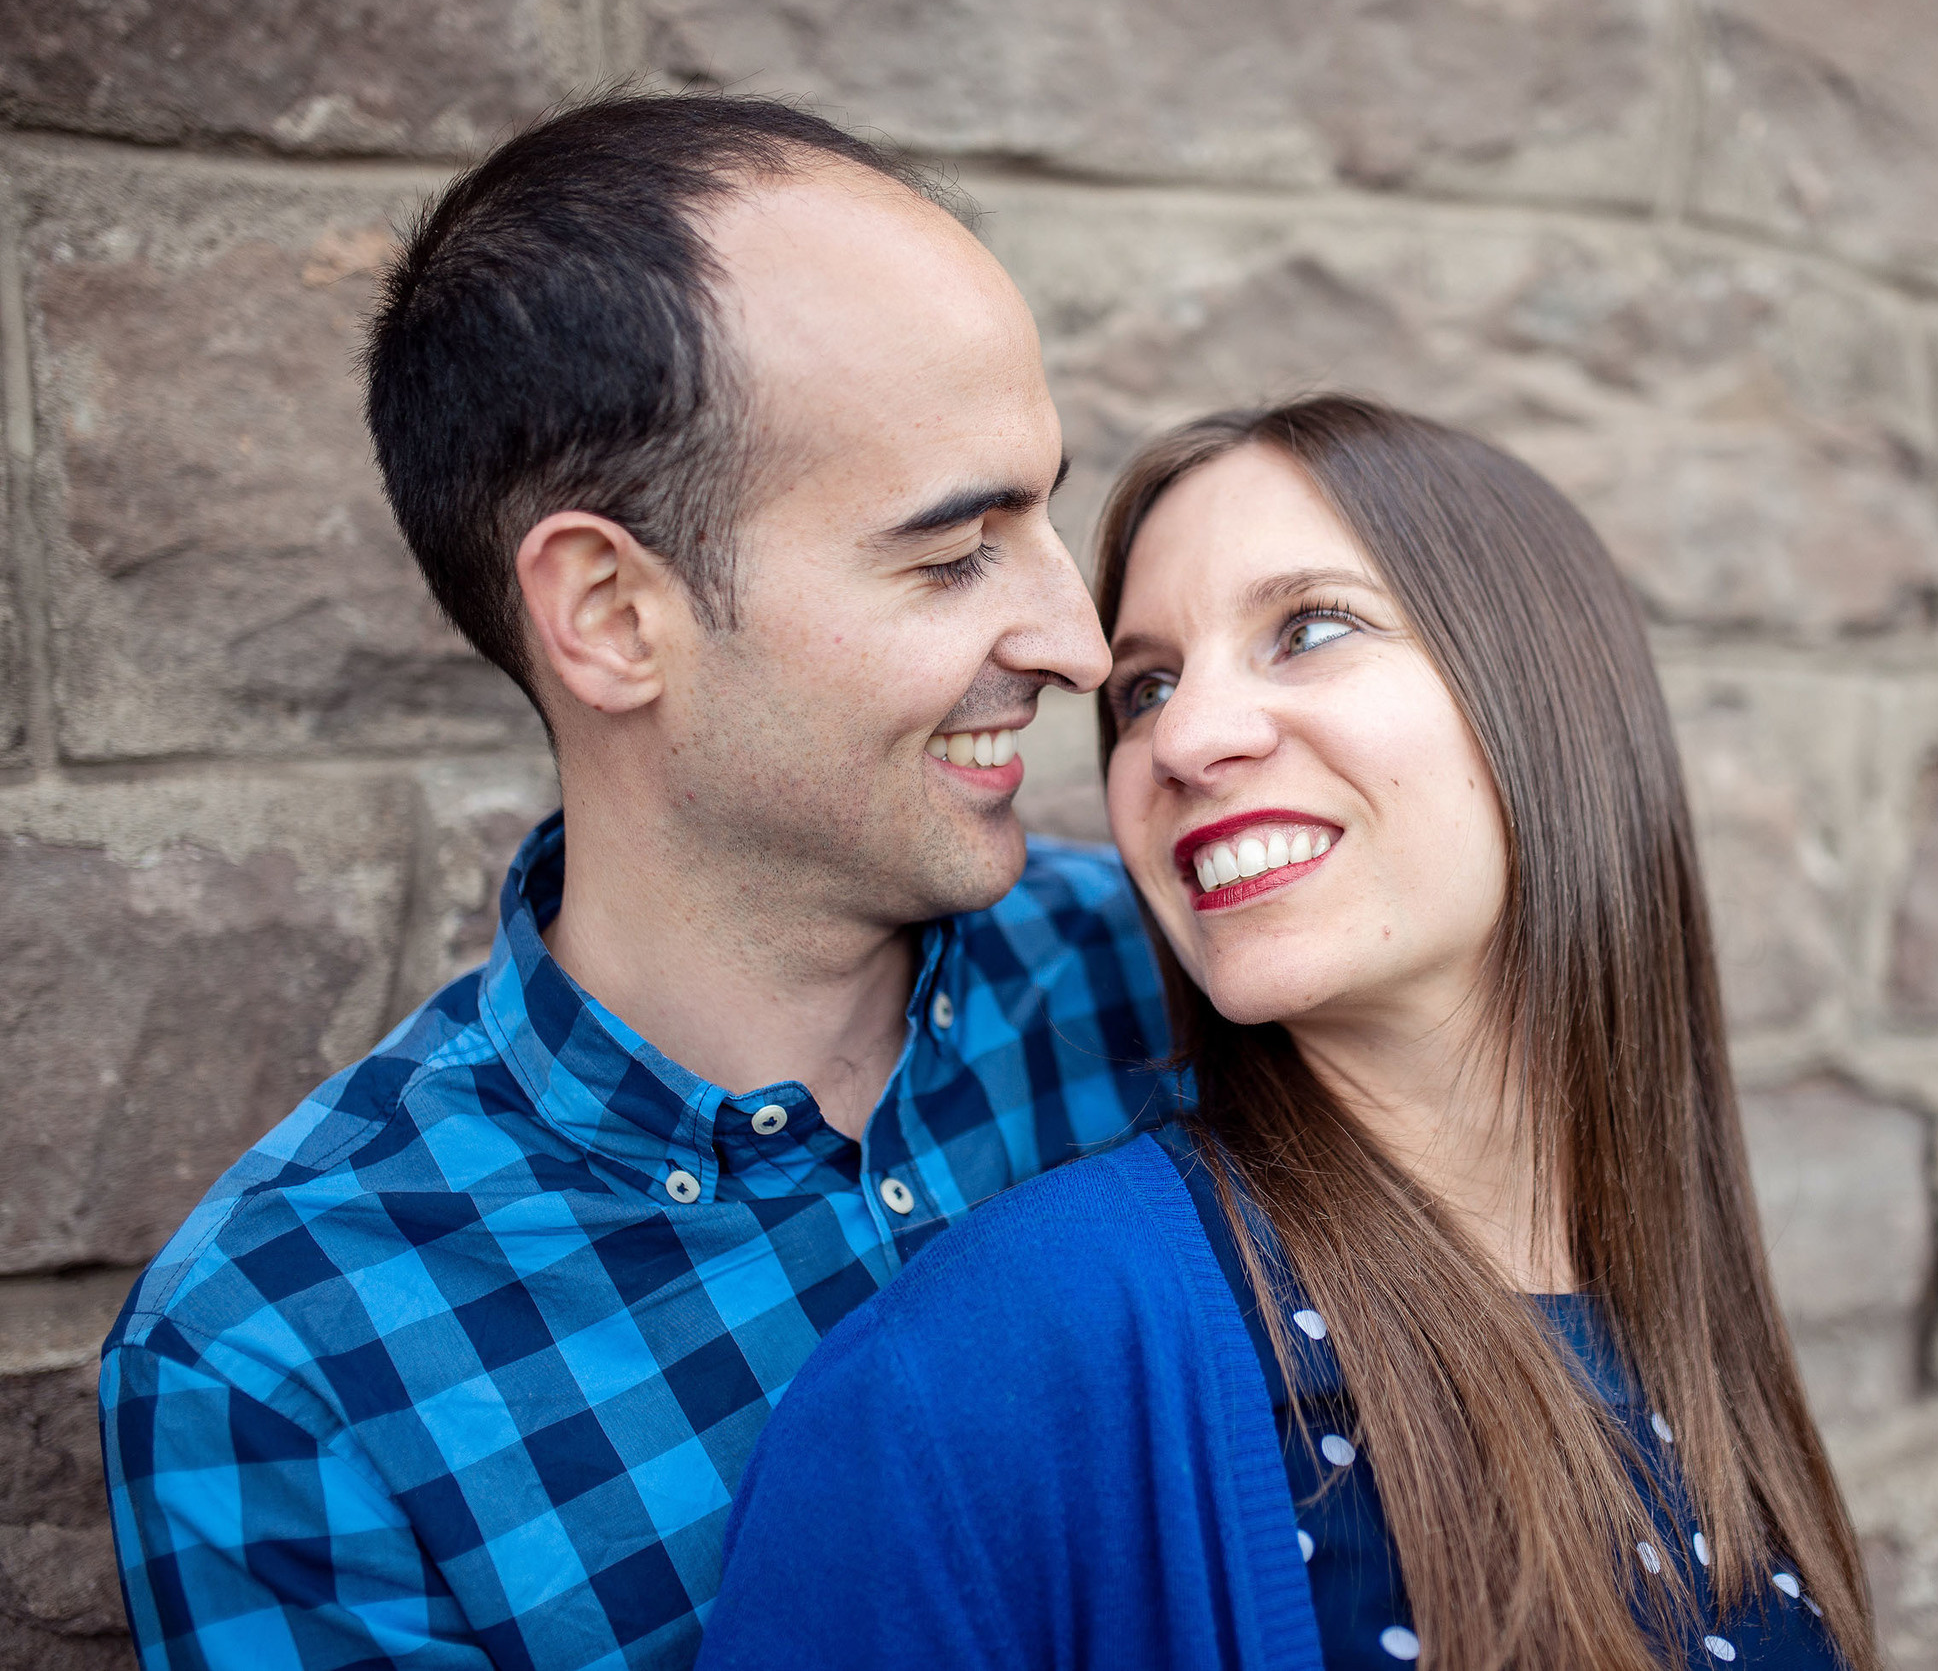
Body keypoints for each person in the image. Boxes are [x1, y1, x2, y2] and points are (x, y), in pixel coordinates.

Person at [98, 93, 1175, 1671]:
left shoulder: (1167, 982)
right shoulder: (284, 1359)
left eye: (1047, 514)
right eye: (954, 556)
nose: (1078, 644)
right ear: (609, 613)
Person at [698, 395, 1878, 1671]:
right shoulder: (990, 1366)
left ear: (1544, 696)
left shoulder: (1676, 1311)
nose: (1188, 740)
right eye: (1146, 687)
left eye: (1308, 629)